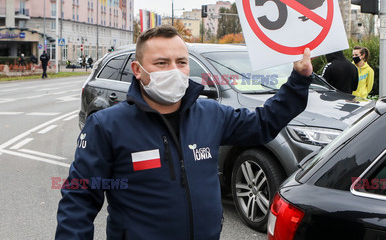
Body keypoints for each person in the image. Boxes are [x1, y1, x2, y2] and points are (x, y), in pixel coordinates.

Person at [55, 26, 314, 240]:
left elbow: (264, 123)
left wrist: (299, 79)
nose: (174, 71)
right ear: (137, 70)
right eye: (161, 63)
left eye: (181, 62)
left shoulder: (211, 114)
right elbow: (79, 200)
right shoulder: (106, 125)